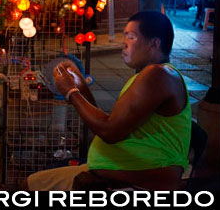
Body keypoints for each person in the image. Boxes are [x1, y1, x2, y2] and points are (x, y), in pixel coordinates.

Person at [24, 10, 191, 191]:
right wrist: (79, 84)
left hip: (139, 181)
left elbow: (109, 131)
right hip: (110, 170)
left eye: (132, 37)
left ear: (154, 43)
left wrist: (71, 92)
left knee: (30, 187)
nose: (124, 43)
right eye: (124, 36)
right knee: (32, 183)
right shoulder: (147, 76)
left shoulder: (158, 75)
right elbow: (106, 124)